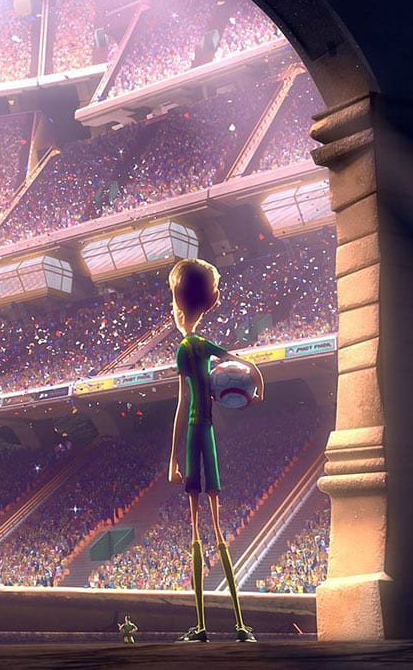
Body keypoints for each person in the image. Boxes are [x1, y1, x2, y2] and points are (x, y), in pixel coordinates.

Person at [166, 258, 264, 643]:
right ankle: (240, 625)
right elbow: (245, 364)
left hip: (194, 434)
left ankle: (202, 626)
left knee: (195, 531)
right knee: (219, 530)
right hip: (208, 435)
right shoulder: (204, 345)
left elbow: (183, 403)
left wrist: (173, 459)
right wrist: (257, 392)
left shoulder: (185, 347)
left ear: (177, 302)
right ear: (212, 300)